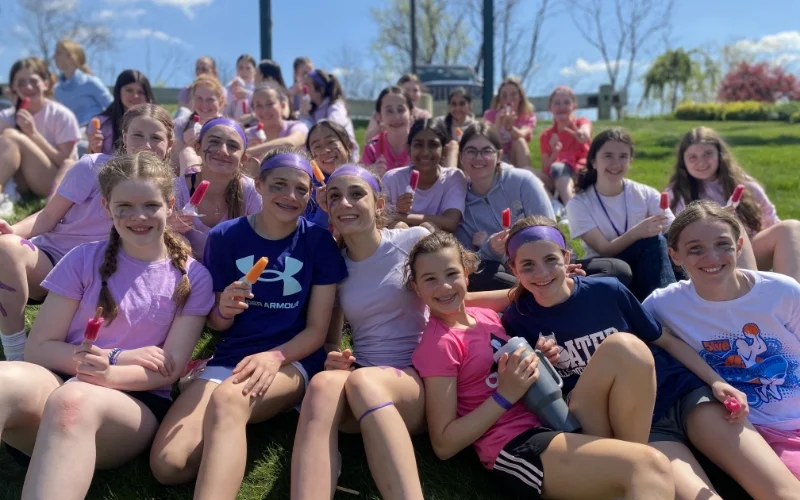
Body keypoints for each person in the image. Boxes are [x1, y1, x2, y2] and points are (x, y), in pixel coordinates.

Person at [0, 150, 214, 500]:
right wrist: (115, 357)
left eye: (150, 205)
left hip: (133, 404)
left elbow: (167, 370)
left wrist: (108, 374)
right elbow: (40, 348)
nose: (138, 216)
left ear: (170, 205)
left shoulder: (193, 277)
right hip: (60, 382)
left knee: (75, 401)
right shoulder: (83, 259)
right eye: (124, 206)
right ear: (106, 208)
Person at [409, 231, 676, 500]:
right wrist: (505, 396)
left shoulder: (486, 315)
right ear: (416, 288)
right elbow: (444, 444)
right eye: (430, 279)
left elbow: (518, 292)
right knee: (648, 466)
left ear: (466, 274)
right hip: (517, 445)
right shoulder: (438, 344)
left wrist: (537, 360)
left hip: (553, 417)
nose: (444, 286)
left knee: (626, 348)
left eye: (451, 274)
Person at [149, 149, 347, 500]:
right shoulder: (226, 237)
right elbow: (216, 324)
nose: (290, 196)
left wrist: (274, 357)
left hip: (291, 358)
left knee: (229, 401)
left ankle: (243, 421)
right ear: (259, 185)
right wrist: (223, 310)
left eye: (301, 190)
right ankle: (233, 434)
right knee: (168, 465)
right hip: (231, 356)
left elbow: (317, 330)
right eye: (279, 185)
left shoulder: (318, 243)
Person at [291, 165, 430, 500]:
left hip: (418, 384)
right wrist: (334, 358)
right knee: (324, 383)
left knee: (363, 382)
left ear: (379, 204)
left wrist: (518, 292)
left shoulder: (414, 241)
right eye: (335, 197)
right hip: (363, 380)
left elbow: (455, 297)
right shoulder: (336, 266)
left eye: (357, 194)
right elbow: (329, 340)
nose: (345, 203)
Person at [643, 200, 800, 496]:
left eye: (722, 244)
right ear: (674, 255)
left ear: (740, 246)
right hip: (751, 432)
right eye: (695, 249)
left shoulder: (782, 292)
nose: (711, 257)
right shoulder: (662, 305)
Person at [0, 104, 174, 361]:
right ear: (124, 137)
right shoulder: (92, 167)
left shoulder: (172, 189)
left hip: (104, 276)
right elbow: (49, 214)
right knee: (7, 249)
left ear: (170, 145)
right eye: (138, 135)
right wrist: (12, 232)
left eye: (156, 137)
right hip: (52, 259)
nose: (146, 144)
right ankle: (16, 355)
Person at [454, 123, 631, 292]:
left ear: (499, 155)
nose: (478, 158)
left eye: (486, 151)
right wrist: (489, 248)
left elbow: (550, 228)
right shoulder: (459, 199)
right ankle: (549, 292)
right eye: (471, 151)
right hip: (510, 274)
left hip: (552, 264)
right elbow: (468, 264)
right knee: (481, 276)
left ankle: (548, 290)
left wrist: (562, 265)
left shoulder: (522, 181)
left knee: (617, 270)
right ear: (461, 156)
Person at [667, 126, 800, 283]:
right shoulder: (676, 194)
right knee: (731, 228)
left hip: (750, 249)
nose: (701, 162)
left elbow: (771, 221)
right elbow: (676, 236)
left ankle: (792, 298)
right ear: (683, 161)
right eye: (693, 157)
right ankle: (752, 299)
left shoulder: (744, 185)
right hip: (709, 255)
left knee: (790, 227)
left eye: (707, 154)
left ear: (720, 155)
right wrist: (717, 221)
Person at [566, 128, 676, 301]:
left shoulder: (646, 193)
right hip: (606, 264)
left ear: (630, 160)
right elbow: (604, 249)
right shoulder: (579, 204)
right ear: (594, 161)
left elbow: (675, 232)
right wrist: (637, 232)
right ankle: (668, 305)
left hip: (646, 260)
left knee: (673, 243)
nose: (616, 163)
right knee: (653, 240)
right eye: (608, 156)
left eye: (623, 156)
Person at [170, 117, 262, 261]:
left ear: (243, 158)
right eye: (214, 142)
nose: (223, 151)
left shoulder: (251, 191)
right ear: (198, 149)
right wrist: (168, 227)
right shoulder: (175, 189)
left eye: (233, 146)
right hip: (187, 278)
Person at [0, 58, 81, 216]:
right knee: (9, 136)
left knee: (11, 136)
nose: (28, 87)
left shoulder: (61, 115)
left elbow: (66, 162)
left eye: (34, 81)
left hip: (54, 183)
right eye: (21, 82)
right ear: (14, 87)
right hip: (21, 181)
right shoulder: (6, 116)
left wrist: (32, 134)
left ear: (46, 83)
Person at [381, 119, 467, 232]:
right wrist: (397, 211)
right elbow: (381, 218)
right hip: (398, 244)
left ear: (444, 150)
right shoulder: (392, 179)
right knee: (399, 226)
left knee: (428, 228)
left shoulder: (453, 177)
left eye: (433, 145)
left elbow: (450, 222)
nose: (425, 152)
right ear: (409, 148)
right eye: (418, 145)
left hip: (437, 247)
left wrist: (398, 216)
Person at [539, 86, 592, 204]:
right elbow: (545, 167)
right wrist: (554, 153)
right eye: (557, 103)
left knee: (559, 167)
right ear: (550, 108)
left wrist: (583, 134)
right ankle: (554, 204)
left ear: (574, 107)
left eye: (566, 103)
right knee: (528, 173)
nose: (562, 107)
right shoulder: (546, 135)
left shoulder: (581, 122)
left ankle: (571, 207)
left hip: (580, 171)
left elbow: (585, 132)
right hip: (554, 176)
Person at [88, 70, 155, 155]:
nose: (135, 96)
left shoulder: (157, 124)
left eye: (141, 92)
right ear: (118, 92)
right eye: (129, 90)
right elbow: (89, 159)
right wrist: (94, 150)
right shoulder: (100, 123)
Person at [304, 120, 356, 229]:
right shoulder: (308, 190)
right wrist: (323, 210)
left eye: (331, 142)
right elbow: (307, 232)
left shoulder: (365, 181)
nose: (325, 151)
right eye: (317, 146)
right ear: (311, 156)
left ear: (349, 146)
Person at [244, 83, 308, 169]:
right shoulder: (248, 134)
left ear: (282, 105)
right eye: (258, 105)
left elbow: (290, 143)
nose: (265, 110)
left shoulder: (297, 126)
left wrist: (247, 153)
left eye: (269, 104)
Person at [170, 75, 225, 175]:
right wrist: (185, 145)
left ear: (220, 101)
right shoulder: (180, 125)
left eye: (210, 99)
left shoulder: (228, 128)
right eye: (199, 98)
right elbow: (173, 165)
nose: (204, 105)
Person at [53, 39, 113, 126]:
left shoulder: (90, 82)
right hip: (71, 136)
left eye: (58, 53)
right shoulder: (57, 90)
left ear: (70, 57)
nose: (54, 56)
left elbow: (112, 107)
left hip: (95, 135)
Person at [302, 69, 359, 161]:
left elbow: (331, 128)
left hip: (344, 160)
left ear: (320, 88)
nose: (304, 89)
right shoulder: (315, 110)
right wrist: (304, 114)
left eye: (308, 85)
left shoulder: (336, 106)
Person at [482, 76, 536, 170]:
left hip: (516, 158)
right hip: (496, 158)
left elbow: (523, 134)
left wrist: (510, 128)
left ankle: (525, 177)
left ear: (520, 97)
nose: (509, 99)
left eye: (513, 94)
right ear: (499, 98)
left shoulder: (527, 116)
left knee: (519, 141)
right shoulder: (490, 115)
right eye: (504, 95)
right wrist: (497, 125)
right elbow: (485, 139)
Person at [364, 73, 432, 144]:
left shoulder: (424, 116)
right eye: (407, 90)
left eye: (415, 90)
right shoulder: (380, 114)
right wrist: (380, 126)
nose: (411, 94)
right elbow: (368, 141)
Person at [362, 86, 412, 175]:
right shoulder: (371, 149)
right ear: (379, 117)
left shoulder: (421, 145)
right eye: (389, 111)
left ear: (411, 113)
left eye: (401, 110)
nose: (396, 117)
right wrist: (370, 174)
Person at [435, 87, 476, 168]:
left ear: (470, 105)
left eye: (462, 104)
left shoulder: (475, 126)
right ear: (449, 106)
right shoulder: (440, 123)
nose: (457, 108)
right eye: (454, 104)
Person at [223, 54, 257, 121]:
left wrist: (246, 95)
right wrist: (231, 94)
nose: (244, 72)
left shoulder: (258, 86)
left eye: (248, 68)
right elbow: (224, 110)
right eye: (240, 68)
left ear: (254, 70)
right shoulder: (230, 86)